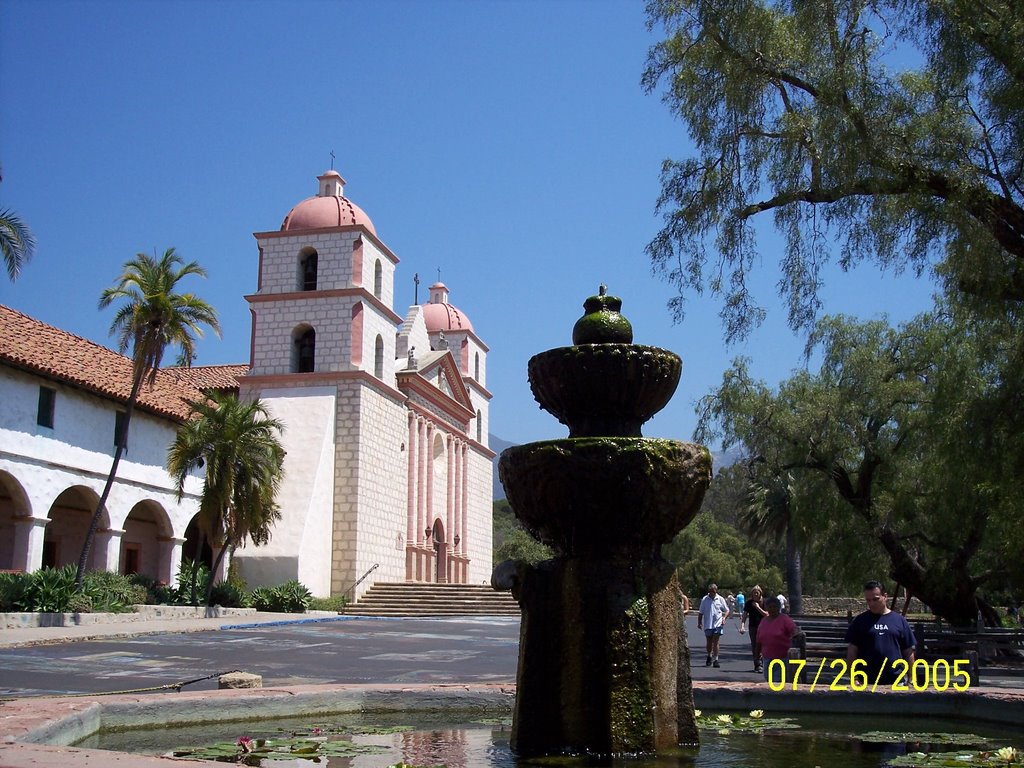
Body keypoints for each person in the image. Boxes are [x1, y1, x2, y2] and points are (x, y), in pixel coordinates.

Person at [845, 580, 916, 684]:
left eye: (875, 599)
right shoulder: (860, 621)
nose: (872, 604)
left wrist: (911, 678)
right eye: (868, 600)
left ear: (885, 596)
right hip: (866, 682)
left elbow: (908, 652)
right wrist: (854, 678)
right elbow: (852, 651)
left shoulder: (899, 621)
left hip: (896, 682)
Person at [755, 596, 799, 682]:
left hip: (782, 657)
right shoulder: (764, 621)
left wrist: (795, 636)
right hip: (767, 657)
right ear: (767, 608)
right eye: (770, 607)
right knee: (768, 679)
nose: (772, 609)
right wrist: (757, 655)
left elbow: (794, 630)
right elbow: (759, 639)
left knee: (777, 681)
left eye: (774, 607)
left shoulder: (784, 619)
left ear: (778, 608)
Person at [697, 582, 730, 668]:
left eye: (714, 591)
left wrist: (724, 618)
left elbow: (727, 610)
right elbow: (701, 612)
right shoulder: (705, 599)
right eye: (710, 591)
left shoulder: (720, 599)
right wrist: (699, 622)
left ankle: (716, 659)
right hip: (708, 624)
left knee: (716, 641)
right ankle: (709, 655)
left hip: (718, 623)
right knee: (709, 641)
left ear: (716, 591)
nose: (712, 593)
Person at [740, 586, 769, 672]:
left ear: (760, 593)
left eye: (757, 593)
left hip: (764, 626)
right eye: (754, 593)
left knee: (763, 645)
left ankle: (764, 662)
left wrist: (757, 607)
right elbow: (745, 615)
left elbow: (767, 614)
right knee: (755, 645)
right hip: (753, 626)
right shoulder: (749, 603)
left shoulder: (765, 602)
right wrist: (742, 625)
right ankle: (757, 664)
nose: (755, 594)